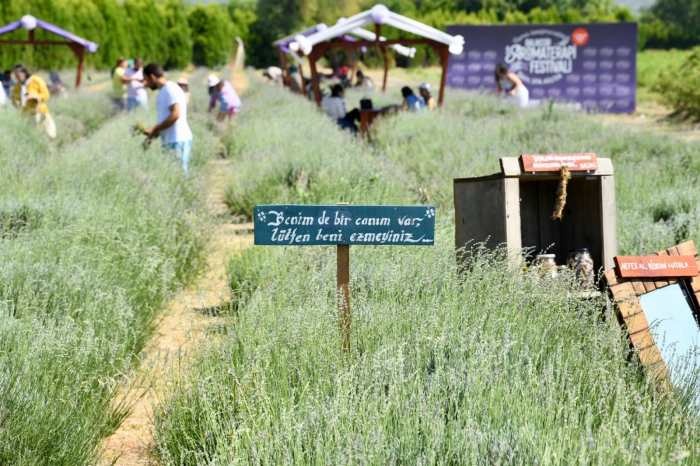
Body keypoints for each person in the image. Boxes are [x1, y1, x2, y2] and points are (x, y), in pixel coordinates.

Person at [142, 62, 193, 178]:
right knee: (172, 176)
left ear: (152, 77)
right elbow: (166, 119)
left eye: (146, 79)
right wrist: (152, 134)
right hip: (170, 140)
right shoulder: (164, 91)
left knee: (178, 177)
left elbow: (175, 115)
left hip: (177, 139)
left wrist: (155, 129)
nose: (145, 84)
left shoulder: (170, 89)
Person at [11, 63, 55, 137]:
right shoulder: (17, 86)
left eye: (18, 75)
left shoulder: (36, 80)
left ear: (24, 73)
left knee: (48, 135)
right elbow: (15, 98)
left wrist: (34, 96)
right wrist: (16, 102)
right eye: (15, 76)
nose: (17, 77)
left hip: (40, 113)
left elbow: (46, 95)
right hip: (26, 115)